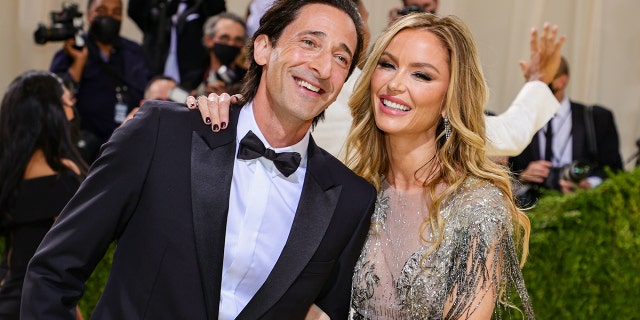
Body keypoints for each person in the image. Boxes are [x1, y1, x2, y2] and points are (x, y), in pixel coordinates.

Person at [21, 1, 375, 319]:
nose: (323, 66)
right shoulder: (161, 134)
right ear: (264, 48)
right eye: (309, 42)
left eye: (341, 58)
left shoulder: (349, 200)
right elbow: (53, 272)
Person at [342, 13, 535, 318]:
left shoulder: (476, 206)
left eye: (421, 75)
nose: (394, 84)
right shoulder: (351, 190)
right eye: (388, 64)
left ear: (449, 100)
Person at [0, 71, 88, 319]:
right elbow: (65, 265)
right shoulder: (65, 175)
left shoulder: (11, 172)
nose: (72, 112)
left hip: (11, 300)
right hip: (42, 305)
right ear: (52, 115)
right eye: (68, 103)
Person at [509, 56, 623, 206]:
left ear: (561, 81)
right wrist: (522, 177)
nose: (533, 86)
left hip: (583, 212)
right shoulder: (519, 119)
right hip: (533, 213)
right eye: (530, 79)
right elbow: (502, 170)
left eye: (541, 78)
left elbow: (614, 170)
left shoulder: (596, 119)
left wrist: (588, 183)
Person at [50, 0, 150, 164]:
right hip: (85, 150)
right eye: (102, 11)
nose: (109, 17)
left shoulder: (135, 52)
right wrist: (78, 64)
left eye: (116, 12)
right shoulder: (71, 52)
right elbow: (56, 101)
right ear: (89, 15)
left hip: (129, 145)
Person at [128, 0, 227, 89]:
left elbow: (217, 10)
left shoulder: (201, 8)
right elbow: (135, 10)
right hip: (153, 82)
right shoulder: (158, 7)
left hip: (192, 85)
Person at [193, 12, 248, 97]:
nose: (231, 44)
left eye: (238, 39)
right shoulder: (192, 78)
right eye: (225, 38)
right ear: (209, 40)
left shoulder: (249, 81)